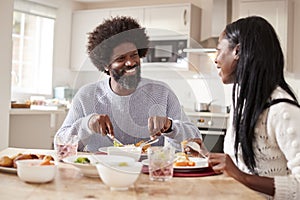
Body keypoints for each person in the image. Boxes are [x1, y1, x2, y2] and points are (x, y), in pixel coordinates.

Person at [186, 16, 300, 199]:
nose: (216, 59)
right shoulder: (243, 101)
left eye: (219, 50)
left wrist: (243, 178)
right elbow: (239, 166)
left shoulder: (282, 110)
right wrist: (205, 156)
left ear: (237, 51)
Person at [55, 16, 201, 152]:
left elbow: (195, 140)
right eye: (121, 58)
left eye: (134, 55)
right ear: (106, 64)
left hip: (149, 174)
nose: (131, 62)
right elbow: (60, 145)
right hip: (101, 174)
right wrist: (86, 125)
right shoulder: (86, 96)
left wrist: (170, 126)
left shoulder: (162, 93)